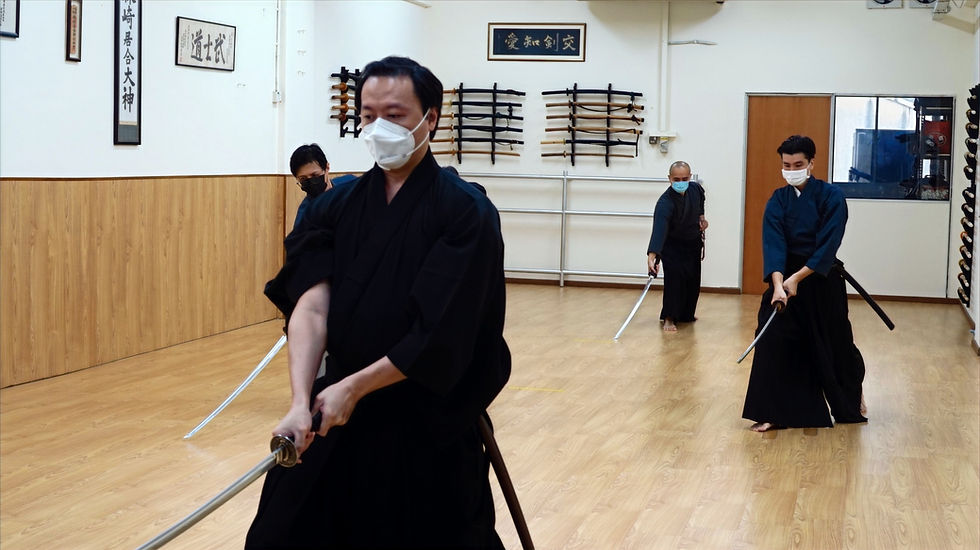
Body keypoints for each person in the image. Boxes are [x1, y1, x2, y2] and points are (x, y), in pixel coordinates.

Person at [246, 56, 511, 549]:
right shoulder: (333, 207)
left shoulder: (463, 211)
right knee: (281, 532)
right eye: (369, 115)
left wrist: (355, 388)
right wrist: (301, 402)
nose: (379, 127)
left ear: (431, 118)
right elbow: (311, 307)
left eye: (395, 114)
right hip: (333, 413)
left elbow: (439, 333)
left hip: (426, 416)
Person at [741, 135, 867, 432]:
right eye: (786, 165)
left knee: (836, 344)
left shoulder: (832, 197)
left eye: (798, 164)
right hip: (784, 279)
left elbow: (828, 245)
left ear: (811, 163)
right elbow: (773, 244)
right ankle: (774, 411)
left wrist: (798, 278)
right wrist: (778, 284)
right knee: (773, 339)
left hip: (821, 277)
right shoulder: (778, 199)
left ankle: (851, 398)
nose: (792, 170)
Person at [646, 161, 708, 332]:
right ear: (670, 178)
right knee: (674, 281)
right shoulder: (665, 202)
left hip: (692, 242)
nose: (681, 182)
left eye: (684, 178)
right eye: (676, 179)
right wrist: (652, 256)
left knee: (692, 280)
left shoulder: (695, 189)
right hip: (673, 246)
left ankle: (687, 314)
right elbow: (659, 229)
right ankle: (669, 317)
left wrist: (702, 218)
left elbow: (701, 201)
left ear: (690, 177)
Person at [289, 143, 357, 230]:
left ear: (327, 168)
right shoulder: (304, 218)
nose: (311, 181)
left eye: (315, 175)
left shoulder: (351, 184)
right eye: (303, 179)